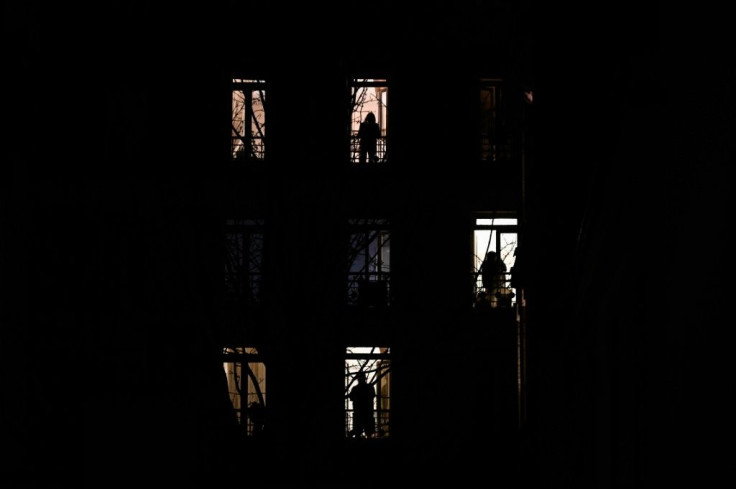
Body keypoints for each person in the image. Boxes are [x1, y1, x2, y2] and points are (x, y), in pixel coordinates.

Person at [348, 371, 375, 438]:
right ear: (365, 378)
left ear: (358, 379)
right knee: (369, 434)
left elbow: (351, 398)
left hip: (358, 413)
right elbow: (372, 396)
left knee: (358, 433)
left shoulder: (355, 389)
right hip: (368, 413)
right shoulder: (370, 387)